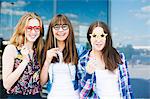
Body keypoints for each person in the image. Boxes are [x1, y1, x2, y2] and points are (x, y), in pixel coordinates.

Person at [77, 21, 133, 99]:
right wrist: (88, 74)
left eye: (102, 35)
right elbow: (82, 95)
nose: (98, 40)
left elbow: (128, 89)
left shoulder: (119, 57)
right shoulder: (83, 61)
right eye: (94, 36)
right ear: (89, 38)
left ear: (107, 37)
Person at [2, 12, 44, 99]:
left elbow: (41, 82)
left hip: (36, 97)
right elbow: (6, 84)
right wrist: (25, 61)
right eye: (29, 28)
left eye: (37, 28)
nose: (33, 32)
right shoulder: (12, 49)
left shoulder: (39, 51)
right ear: (22, 29)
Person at [40, 14, 80, 99]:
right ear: (51, 30)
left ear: (69, 29)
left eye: (64, 26)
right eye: (56, 27)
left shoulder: (78, 50)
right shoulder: (46, 51)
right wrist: (47, 61)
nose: (61, 30)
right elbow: (42, 83)